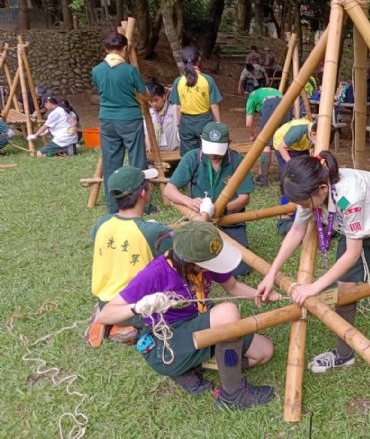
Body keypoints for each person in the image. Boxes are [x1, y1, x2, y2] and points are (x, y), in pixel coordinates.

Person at [257, 152, 370, 410]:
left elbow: (352, 253)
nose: (303, 207)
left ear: (323, 189)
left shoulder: (350, 195)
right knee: (345, 291)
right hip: (355, 230)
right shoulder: (310, 191)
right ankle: (344, 354)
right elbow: (296, 230)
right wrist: (271, 274)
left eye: (304, 202)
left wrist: (314, 287)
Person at [97, 221, 279, 407]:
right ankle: (232, 394)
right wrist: (138, 306)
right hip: (166, 342)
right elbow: (105, 315)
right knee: (228, 312)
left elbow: (233, 286)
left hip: (197, 323)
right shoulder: (156, 272)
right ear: (190, 262)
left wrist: (259, 295)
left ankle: (197, 364)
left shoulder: (206, 264)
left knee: (263, 351)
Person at [86, 165, 168, 347]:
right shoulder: (153, 231)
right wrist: (203, 216)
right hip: (136, 309)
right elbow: (187, 244)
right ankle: (130, 329)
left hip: (106, 303)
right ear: (143, 193)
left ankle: (106, 318)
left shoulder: (101, 223)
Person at [164, 122, 253, 276]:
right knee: (183, 260)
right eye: (210, 149)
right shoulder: (193, 157)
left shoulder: (238, 160)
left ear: (229, 144)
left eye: (218, 150)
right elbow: (169, 190)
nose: (214, 155)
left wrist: (221, 209)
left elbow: (244, 198)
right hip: (198, 220)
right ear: (201, 140)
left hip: (230, 221)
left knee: (241, 268)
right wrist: (189, 202)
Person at [91, 31, 148, 213]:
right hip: (130, 119)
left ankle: (112, 205)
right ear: (125, 49)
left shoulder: (96, 70)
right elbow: (144, 95)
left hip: (107, 119)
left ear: (106, 49)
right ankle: (142, 204)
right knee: (137, 161)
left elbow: (100, 89)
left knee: (111, 163)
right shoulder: (130, 70)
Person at [169, 46, 222, 156]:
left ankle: (192, 173)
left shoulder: (178, 82)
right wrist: (218, 123)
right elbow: (214, 105)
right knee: (208, 154)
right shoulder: (207, 80)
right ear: (199, 60)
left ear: (183, 62)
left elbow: (178, 107)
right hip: (205, 122)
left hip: (186, 123)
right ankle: (205, 173)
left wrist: (179, 125)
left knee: (189, 157)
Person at [245, 86, 291, 187]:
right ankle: (283, 175)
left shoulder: (251, 98)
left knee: (265, 143)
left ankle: (263, 178)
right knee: (283, 141)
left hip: (270, 105)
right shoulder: (271, 90)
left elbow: (248, 124)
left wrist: (252, 136)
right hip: (286, 104)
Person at [144, 79, 179, 153]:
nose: (154, 104)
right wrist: (148, 146)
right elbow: (147, 133)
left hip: (174, 153)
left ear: (164, 97)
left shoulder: (174, 109)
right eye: (151, 101)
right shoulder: (148, 113)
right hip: (157, 154)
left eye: (156, 100)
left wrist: (176, 91)